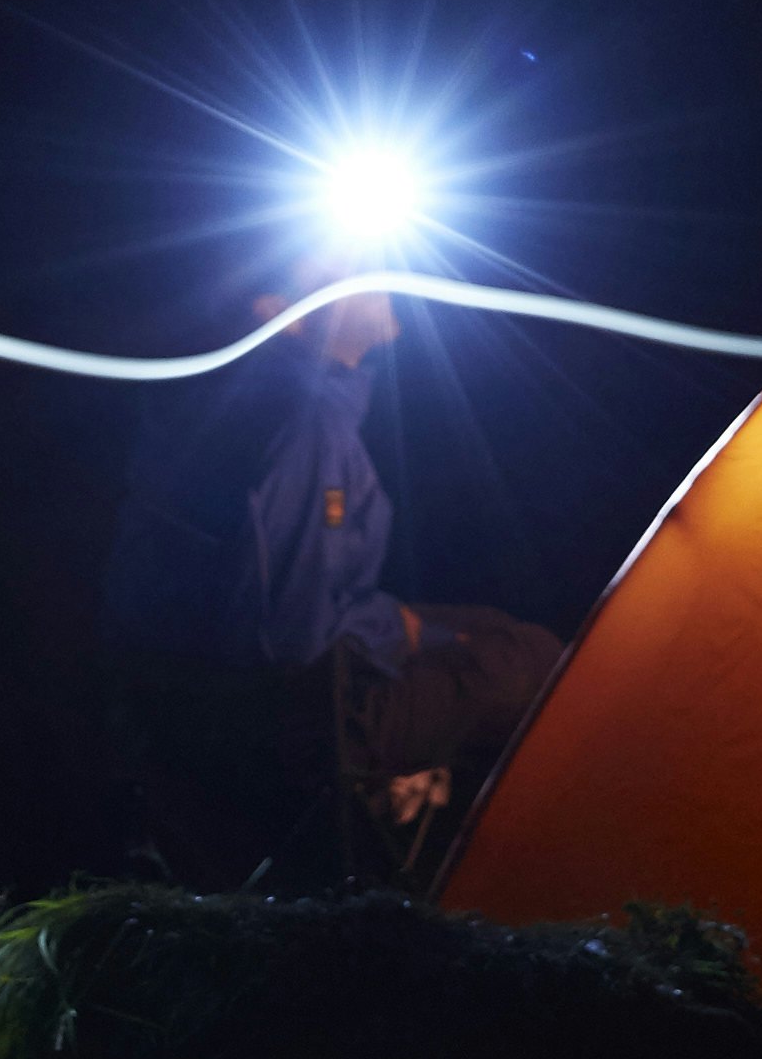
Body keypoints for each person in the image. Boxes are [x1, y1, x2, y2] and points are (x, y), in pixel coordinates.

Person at [101, 262, 562, 833]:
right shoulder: (301, 420)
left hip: (219, 695)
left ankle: (428, 780)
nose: (376, 272)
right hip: (284, 718)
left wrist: (409, 628)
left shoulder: (299, 404)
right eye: (340, 267)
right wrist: (404, 634)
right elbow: (293, 635)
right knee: (534, 663)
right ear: (280, 314)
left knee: (490, 628)